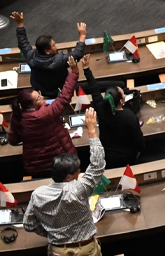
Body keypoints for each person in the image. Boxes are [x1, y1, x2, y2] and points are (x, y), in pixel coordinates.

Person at [23, 108, 104, 256]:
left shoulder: (38, 195)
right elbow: (97, 165)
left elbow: (28, 224)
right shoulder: (79, 189)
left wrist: (51, 234)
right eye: (77, 171)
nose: (80, 173)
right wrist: (92, 131)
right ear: (68, 177)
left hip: (57, 250)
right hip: (87, 249)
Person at [9, 55, 83, 177]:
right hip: (61, 164)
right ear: (30, 106)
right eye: (38, 98)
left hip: (35, 166)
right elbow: (64, 98)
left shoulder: (17, 116)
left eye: (39, 94)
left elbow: (13, 140)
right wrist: (74, 73)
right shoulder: (45, 114)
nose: (42, 97)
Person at [12, 13, 88, 99]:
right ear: (47, 51)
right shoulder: (60, 60)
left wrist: (20, 24)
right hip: (61, 91)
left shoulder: (31, 56)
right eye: (53, 45)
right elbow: (77, 54)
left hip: (40, 92)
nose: (56, 47)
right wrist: (82, 35)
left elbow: (23, 43)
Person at [84, 67, 143, 168]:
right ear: (121, 101)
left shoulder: (101, 109)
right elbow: (139, 142)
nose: (124, 95)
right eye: (123, 94)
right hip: (127, 158)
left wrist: (86, 70)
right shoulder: (129, 116)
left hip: (106, 157)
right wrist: (136, 155)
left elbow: (94, 90)